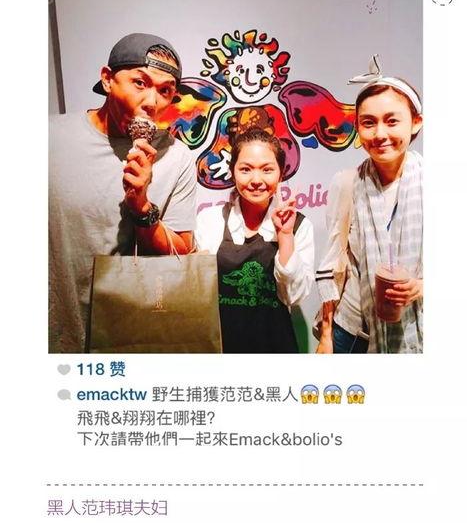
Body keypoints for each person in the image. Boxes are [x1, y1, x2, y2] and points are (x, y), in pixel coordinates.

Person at [49, 33, 197, 353]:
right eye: (140, 83)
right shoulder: (49, 139)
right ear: (107, 79)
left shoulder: (176, 157)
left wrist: (141, 206)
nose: (151, 102)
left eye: (165, 91)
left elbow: (181, 250)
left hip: (127, 334)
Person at [315, 55, 423, 353]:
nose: (380, 134)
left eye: (392, 120)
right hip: (351, 332)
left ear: (416, 122)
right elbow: (332, 264)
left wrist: (420, 287)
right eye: (369, 123)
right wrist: (326, 336)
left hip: (416, 331)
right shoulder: (346, 183)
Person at [196, 128, 314, 353]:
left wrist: (285, 236)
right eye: (246, 169)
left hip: (274, 347)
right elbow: (200, 294)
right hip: (219, 347)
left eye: (267, 170)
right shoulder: (209, 221)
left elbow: (294, 297)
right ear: (233, 173)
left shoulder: (299, 226)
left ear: (281, 174)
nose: (256, 180)